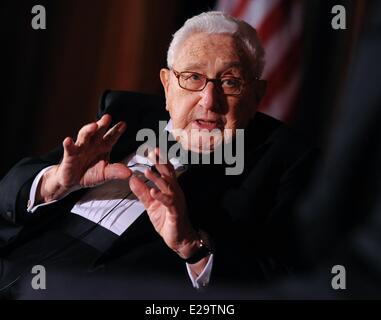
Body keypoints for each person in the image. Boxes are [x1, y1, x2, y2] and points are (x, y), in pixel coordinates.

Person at [0, 11, 316, 299]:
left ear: (257, 95)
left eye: (230, 82)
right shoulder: (125, 116)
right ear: (167, 85)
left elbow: (284, 282)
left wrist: (192, 246)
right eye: (193, 77)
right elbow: (7, 196)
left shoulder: (284, 160)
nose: (209, 100)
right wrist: (55, 181)